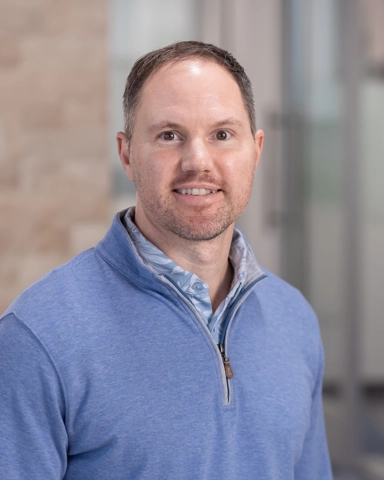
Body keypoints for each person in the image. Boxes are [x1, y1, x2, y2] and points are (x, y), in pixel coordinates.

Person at [0, 41, 332, 479]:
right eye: (169, 135)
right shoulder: (37, 336)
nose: (198, 161)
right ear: (126, 155)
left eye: (222, 135)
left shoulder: (295, 319)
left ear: (256, 150)